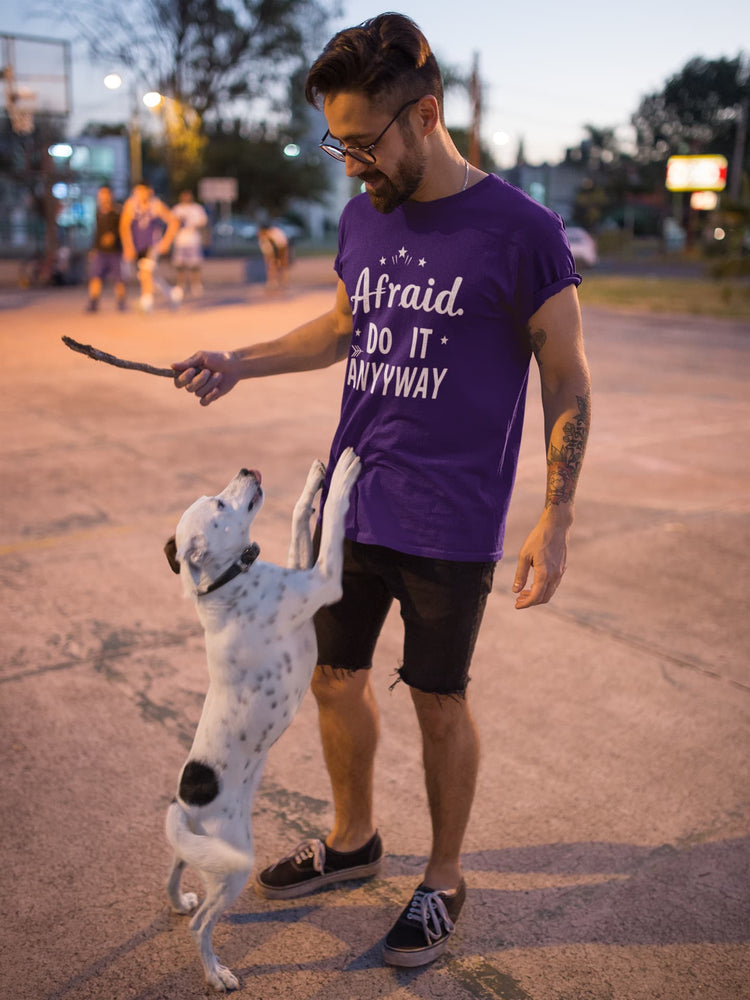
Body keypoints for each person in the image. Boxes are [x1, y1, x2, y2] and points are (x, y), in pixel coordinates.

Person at [172, 13, 591, 969]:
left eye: (363, 143)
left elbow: (567, 378)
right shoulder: (366, 217)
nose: (350, 165)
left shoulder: (523, 232)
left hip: (452, 520)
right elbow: (339, 328)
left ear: (426, 117)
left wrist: (556, 514)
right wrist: (237, 361)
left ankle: (442, 878)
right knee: (334, 677)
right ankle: (353, 840)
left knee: (437, 700)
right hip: (350, 506)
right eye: (339, 144)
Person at [119, 183, 181, 312]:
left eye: (142, 191)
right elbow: (124, 226)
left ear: (149, 191)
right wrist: (128, 246)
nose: (140, 195)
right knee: (147, 275)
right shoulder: (130, 205)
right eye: (137, 192)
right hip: (137, 245)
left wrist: (166, 241)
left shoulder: (156, 205)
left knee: (145, 272)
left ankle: (146, 302)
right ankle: (172, 293)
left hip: (152, 245)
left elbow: (174, 221)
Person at [86, 185, 126, 312]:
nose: (102, 197)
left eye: (105, 194)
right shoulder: (98, 212)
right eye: (100, 194)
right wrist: (93, 249)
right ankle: (93, 302)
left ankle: (121, 302)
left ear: (110, 195)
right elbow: (96, 232)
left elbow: (123, 229)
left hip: (115, 251)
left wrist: (114, 236)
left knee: (118, 278)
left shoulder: (117, 211)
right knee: (95, 276)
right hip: (100, 251)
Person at [171, 189, 209, 296]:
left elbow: (203, 222)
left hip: (193, 240)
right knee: (180, 265)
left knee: (195, 265)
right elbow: (171, 222)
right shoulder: (177, 209)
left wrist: (194, 225)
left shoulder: (197, 208)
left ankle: (196, 285)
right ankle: (180, 285)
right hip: (180, 241)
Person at [256, 222, 290, 291]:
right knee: (271, 266)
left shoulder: (274, 235)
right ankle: (273, 281)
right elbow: (266, 252)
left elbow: (280, 247)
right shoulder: (263, 238)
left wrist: (275, 260)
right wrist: (268, 260)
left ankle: (282, 281)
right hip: (274, 249)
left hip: (281, 248)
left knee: (280, 265)